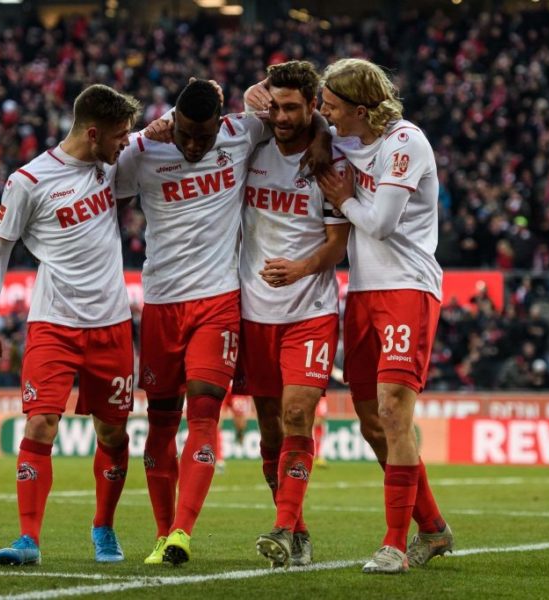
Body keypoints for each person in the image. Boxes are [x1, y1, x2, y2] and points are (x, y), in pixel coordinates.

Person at [115, 79, 331, 566]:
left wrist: (319, 137)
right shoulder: (144, 148)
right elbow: (99, 180)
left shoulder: (240, 131)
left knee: (205, 415)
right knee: (160, 425)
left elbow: (296, 113)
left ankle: (181, 534)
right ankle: (160, 531)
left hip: (218, 303)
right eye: (185, 135)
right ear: (172, 119)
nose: (193, 145)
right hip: (161, 303)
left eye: (203, 136)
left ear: (220, 123)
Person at [0, 84, 141, 566]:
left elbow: (158, 132)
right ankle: (28, 538)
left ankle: (104, 528)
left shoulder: (110, 167)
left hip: (111, 324)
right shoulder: (28, 181)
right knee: (41, 421)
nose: (125, 143)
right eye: (118, 135)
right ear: (93, 133)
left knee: (112, 434)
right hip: (54, 324)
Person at [316, 58, 452, 574]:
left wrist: (345, 199)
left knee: (395, 412)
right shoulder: (343, 137)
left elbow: (379, 223)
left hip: (408, 288)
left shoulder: (405, 142)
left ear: (360, 108)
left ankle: (395, 544)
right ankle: (434, 528)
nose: (325, 115)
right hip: (366, 292)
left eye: (332, 106)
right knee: (372, 420)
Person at [239, 60, 350, 568]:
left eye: (292, 108)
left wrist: (300, 268)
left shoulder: (331, 164)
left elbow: (336, 245)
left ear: (312, 106)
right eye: (276, 106)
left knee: (297, 414)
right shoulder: (252, 147)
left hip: (311, 308)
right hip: (254, 310)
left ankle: (282, 527)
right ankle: (298, 531)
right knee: (269, 430)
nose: (281, 117)